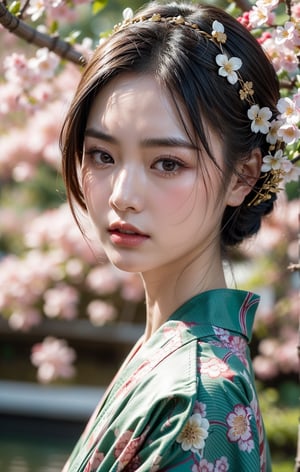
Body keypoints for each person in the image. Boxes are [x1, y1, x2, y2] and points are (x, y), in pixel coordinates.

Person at [59, 2, 290, 470]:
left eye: (168, 163)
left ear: (243, 176)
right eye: (102, 155)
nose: (123, 196)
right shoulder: (171, 354)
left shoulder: (196, 396)